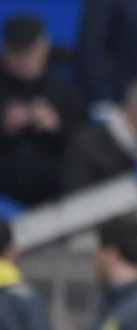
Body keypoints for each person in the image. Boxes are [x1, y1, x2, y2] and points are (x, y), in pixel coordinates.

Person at [0, 14, 87, 205]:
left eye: (29, 51)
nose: (24, 60)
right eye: (17, 52)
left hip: (57, 190)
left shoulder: (66, 85)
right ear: (5, 52)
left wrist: (57, 126)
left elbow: (87, 142)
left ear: (44, 47)